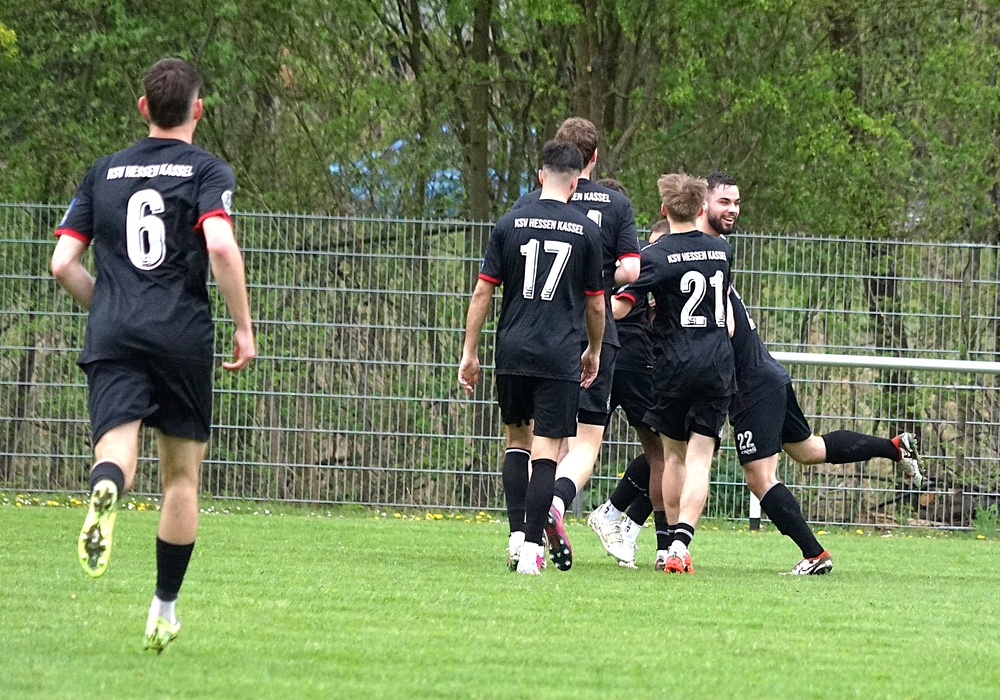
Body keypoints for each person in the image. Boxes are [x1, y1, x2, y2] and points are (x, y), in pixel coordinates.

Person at [50, 57, 256, 651]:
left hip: (114, 333)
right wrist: (244, 327)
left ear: (143, 108)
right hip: (181, 335)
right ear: (198, 110)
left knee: (116, 448)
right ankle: (163, 609)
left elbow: (62, 263)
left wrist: (109, 307)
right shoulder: (206, 169)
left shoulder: (103, 171)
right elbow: (220, 245)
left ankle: (106, 486)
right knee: (181, 479)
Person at [703, 170, 921, 574]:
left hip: (751, 384)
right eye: (725, 202)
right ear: (703, 205)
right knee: (808, 450)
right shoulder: (712, 256)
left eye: (736, 202)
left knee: (760, 477)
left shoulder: (711, 257)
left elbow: (726, 326)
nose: (733, 209)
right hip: (768, 375)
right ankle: (893, 447)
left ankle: (814, 554)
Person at [459, 141, 605, 575]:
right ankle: (531, 550)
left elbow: (482, 292)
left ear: (540, 175)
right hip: (558, 352)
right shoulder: (587, 231)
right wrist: (594, 350)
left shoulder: (509, 222)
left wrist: (469, 351)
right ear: (576, 184)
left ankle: (515, 537)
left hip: (513, 349)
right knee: (547, 452)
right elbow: (596, 305)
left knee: (516, 443)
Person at [513, 118, 640, 570]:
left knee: (545, 444)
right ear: (595, 157)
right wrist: (600, 273)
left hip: (540, 333)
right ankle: (555, 503)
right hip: (592, 331)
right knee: (585, 443)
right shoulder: (615, 204)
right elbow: (631, 271)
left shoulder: (531, 204)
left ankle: (525, 534)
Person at [612, 173, 735, 574]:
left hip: (673, 365)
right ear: (701, 209)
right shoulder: (722, 250)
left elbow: (621, 306)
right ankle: (682, 543)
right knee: (700, 458)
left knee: (673, 457)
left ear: (664, 209)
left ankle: (665, 546)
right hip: (717, 363)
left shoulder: (654, 255)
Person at [588, 219, 669, 568]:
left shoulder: (604, 257)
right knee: (666, 453)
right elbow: (619, 308)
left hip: (615, 355)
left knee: (666, 454)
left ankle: (622, 523)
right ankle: (660, 545)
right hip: (633, 360)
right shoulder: (641, 263)